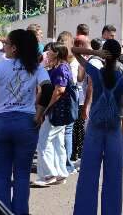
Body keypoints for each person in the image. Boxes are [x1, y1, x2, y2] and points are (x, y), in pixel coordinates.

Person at [0, 29, 50, 214]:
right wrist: (39, 113)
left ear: (14, 48)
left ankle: (2, 212)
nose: (4, 47)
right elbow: (47, 89)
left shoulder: (1, 66)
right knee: (22, 175)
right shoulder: (36, 68)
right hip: (26, 124)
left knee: (1, 175)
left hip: (0, 124)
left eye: (6, 44)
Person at [72, 40, 123, 215]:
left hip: (95, 130)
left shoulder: (95, 73)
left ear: (105, 55)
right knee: (114, 177)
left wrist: (95, 53)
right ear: (119, 56)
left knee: (88, 175)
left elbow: (74, 51)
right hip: (113, 130)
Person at [33, 42, 72, 186]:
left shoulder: (61, 68)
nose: (46, 54)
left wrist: (46, 108)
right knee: (57, 142)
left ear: (56, 53)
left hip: (56, 110)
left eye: (49, 51)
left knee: (44, 141)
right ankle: (61, 173)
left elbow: (59, 91)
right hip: (59, 111)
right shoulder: (57, 67)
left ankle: (48, 174)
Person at [57, 31, 79, 174]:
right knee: (68, 131)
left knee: (59, 131)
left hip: (61, 95)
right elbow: (80, 79)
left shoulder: (59, 60)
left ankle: (62, 163)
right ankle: (68, 164)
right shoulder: (75, 59)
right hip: (73, 95)